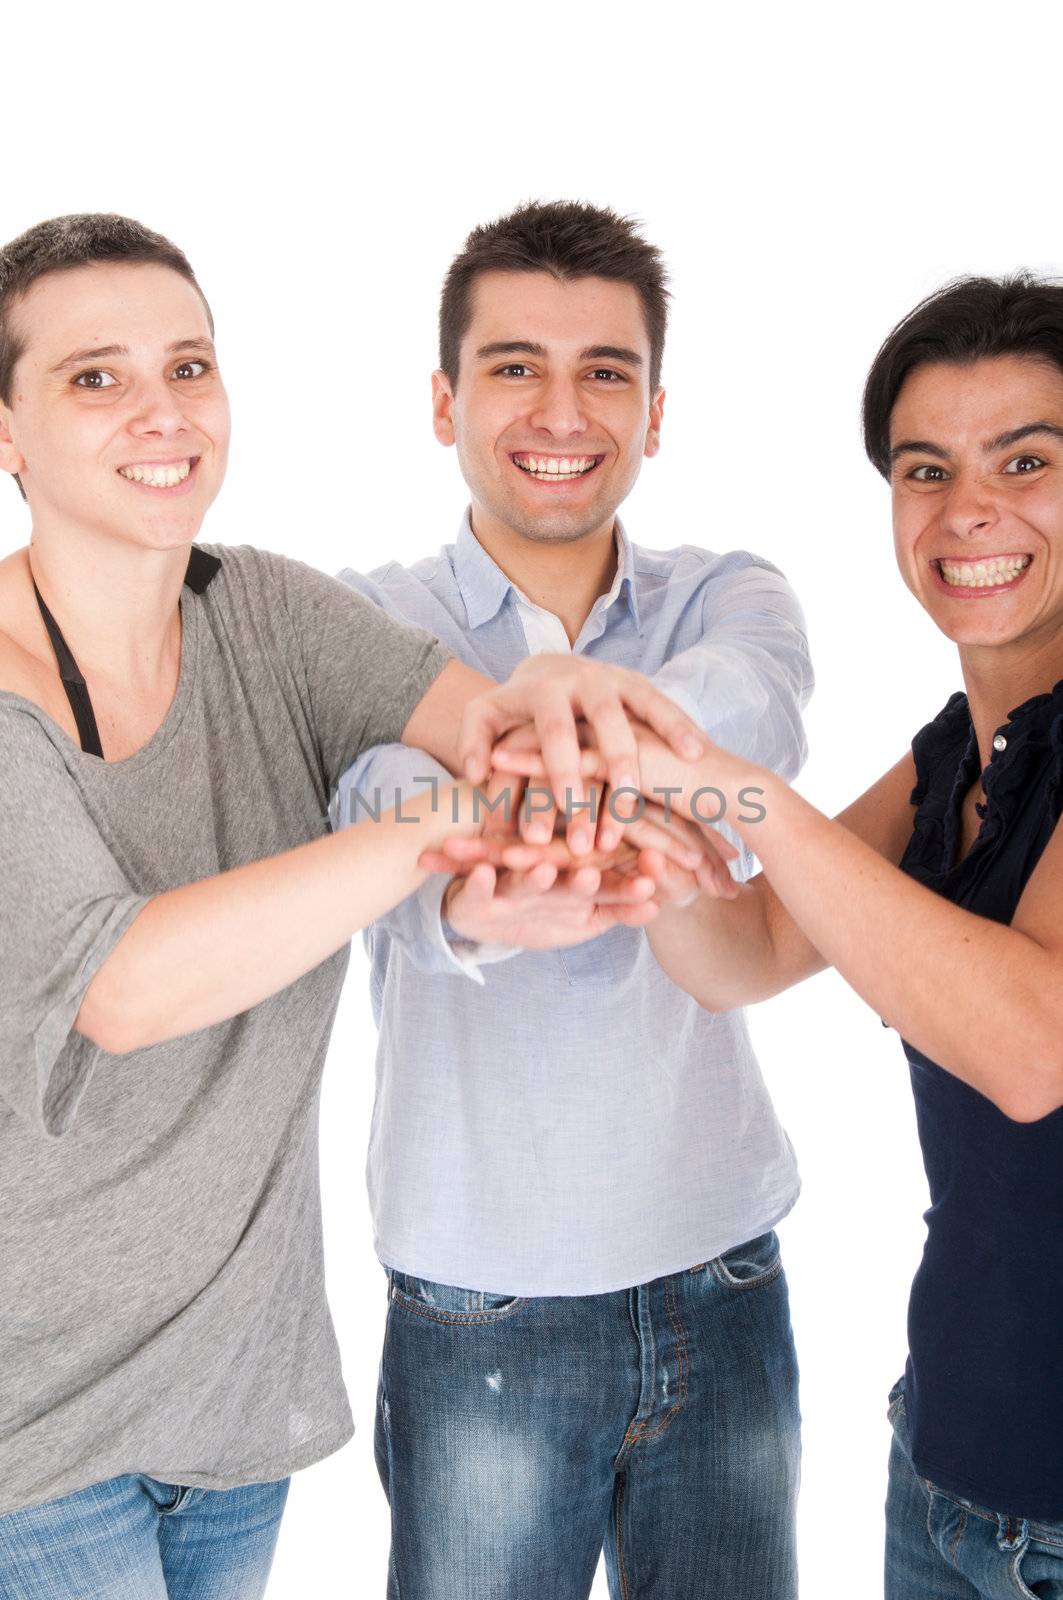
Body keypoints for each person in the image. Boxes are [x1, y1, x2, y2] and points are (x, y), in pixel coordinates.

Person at [0, 213, 710, 1600]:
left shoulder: (265, 613)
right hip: (32, 1430)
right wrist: (443, 831)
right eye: (96, 377)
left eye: (190, 367)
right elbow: (126, 986)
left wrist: (551, 716)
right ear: (8, 430)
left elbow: (490, 737)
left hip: (230, 1412)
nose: (163, 412)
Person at [484, 272, 1063, 1599]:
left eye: (1025, 460)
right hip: (951, 1469)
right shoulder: (952, 761)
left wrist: (722, 779)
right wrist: (633, 793)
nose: (967, 508)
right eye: (927, 469)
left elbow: (1032, 1047)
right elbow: (740, 953)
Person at [331, 200, 814, 1600]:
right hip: (481, 1301)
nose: (562, 409)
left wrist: (528, 752)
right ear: (445, 401)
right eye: (514, 365)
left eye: (606, 370)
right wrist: (475, 897)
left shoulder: (732, 595)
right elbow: (371, 822)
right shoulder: (369, 624)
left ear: (656, 413)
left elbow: (754, 734)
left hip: (724, 1278)